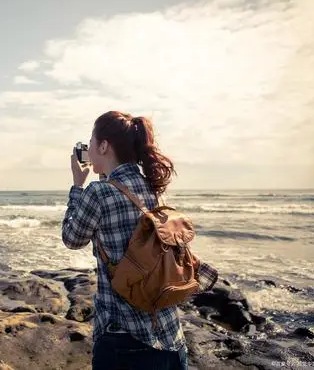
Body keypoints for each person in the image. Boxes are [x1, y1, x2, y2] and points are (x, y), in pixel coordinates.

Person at [61, 110, 217, 370]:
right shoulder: (154, 188)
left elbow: (72, 238)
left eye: (91, 141)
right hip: (171, 340)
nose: (88, 147)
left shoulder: (97, 193)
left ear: (103, 146)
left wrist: (78, 186)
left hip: (123, 341)